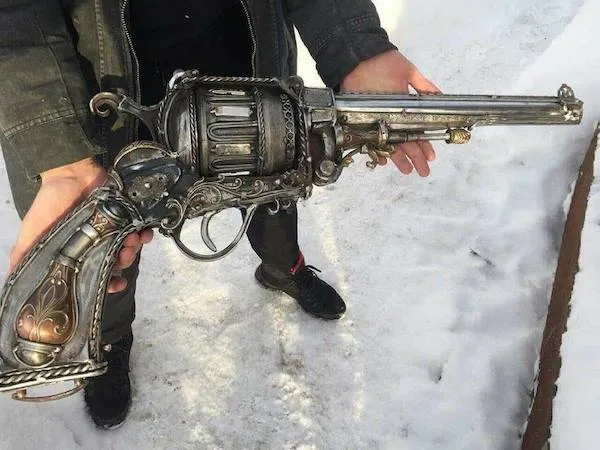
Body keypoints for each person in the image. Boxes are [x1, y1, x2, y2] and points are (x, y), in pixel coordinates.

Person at [0, 0, 438, 429]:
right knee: (104, 238)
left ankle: (284, 269)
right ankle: (109, 338)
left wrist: (357, 50)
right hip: (102, 83)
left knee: (275, 188)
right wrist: (58, 149)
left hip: (244, 55)